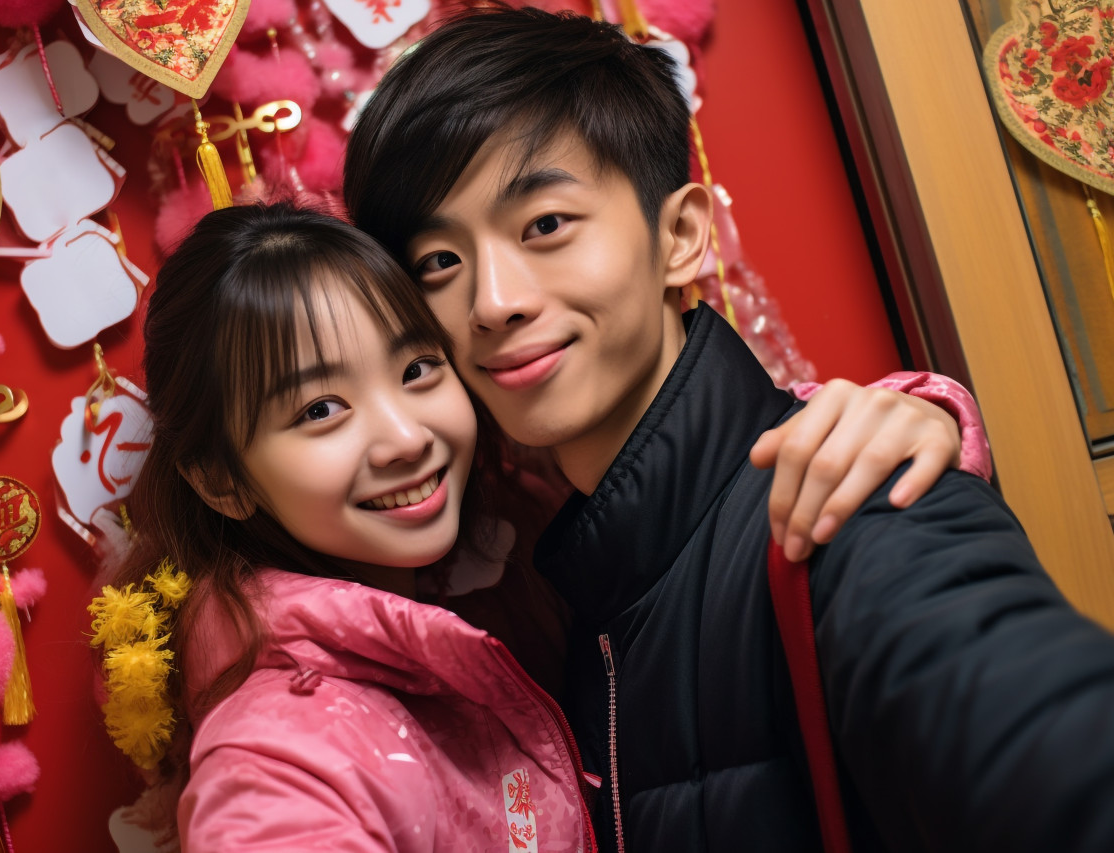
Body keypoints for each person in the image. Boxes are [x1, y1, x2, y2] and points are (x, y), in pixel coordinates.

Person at [342, 6, 1114, 852]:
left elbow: (1036, 732)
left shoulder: (849, 497)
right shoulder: (566, 601)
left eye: (546, 226)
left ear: (678, 237)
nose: (495, 300)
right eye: (439, 263)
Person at [96, 200, 986, 853]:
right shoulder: (278, 752)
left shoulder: (514, 542)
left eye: (416, 369)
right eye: (322, 408)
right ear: (222, 482)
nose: (407, 437)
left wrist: (917, 415)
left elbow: (709, 465)